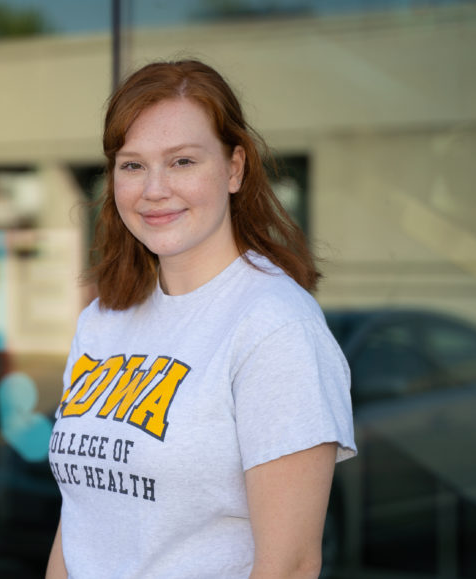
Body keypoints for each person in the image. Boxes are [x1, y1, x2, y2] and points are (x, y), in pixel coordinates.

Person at [45, 59, 356, 579]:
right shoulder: (104, 317)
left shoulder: (275, 327)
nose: (155, 189)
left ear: (234, 169)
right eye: (133, 165)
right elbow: (81, 520)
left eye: (183, 162)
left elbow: (292, 566)